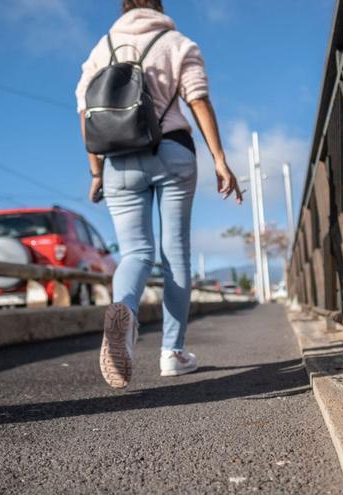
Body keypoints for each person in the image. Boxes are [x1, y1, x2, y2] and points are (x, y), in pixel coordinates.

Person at [75, 0, 243, 389]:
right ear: (158, 5)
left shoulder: (103, 46)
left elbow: (85, 112)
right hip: (172, 151)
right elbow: (197, 98)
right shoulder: (178, 42)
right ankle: (172, 352)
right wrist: (220, 159)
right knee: (175, 254)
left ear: (124, 7)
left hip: (117, 160)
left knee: (135, 252)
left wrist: (96, 171)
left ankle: (127, 314)